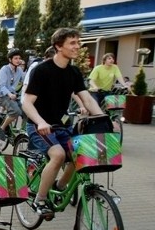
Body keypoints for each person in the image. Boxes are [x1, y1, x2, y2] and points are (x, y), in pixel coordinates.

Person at [22, 28, 104, 219]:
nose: (78, 46)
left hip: (60, 124)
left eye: (78, 42)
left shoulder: (74, 72)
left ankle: (59, 187)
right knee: (58, 155)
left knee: (80, 153)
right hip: (38, 125)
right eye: (72, 43)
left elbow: (87, 99)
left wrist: (102, 118)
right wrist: (40, 121)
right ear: (59, 46)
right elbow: (26, 102)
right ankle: (40, 199)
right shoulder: (42, 70)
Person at [0, 49, 25, 137]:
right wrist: (10, 94)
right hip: (2, 96)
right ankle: (1, 129)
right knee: (16, 111)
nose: (18, 60)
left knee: (26, 111)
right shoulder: (4, 69)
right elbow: (2, 86)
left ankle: (22, 131)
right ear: (10, 59)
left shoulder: (19, 70)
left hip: (13, 95)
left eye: (19, 58)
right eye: (15, 58)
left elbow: (25, 80)